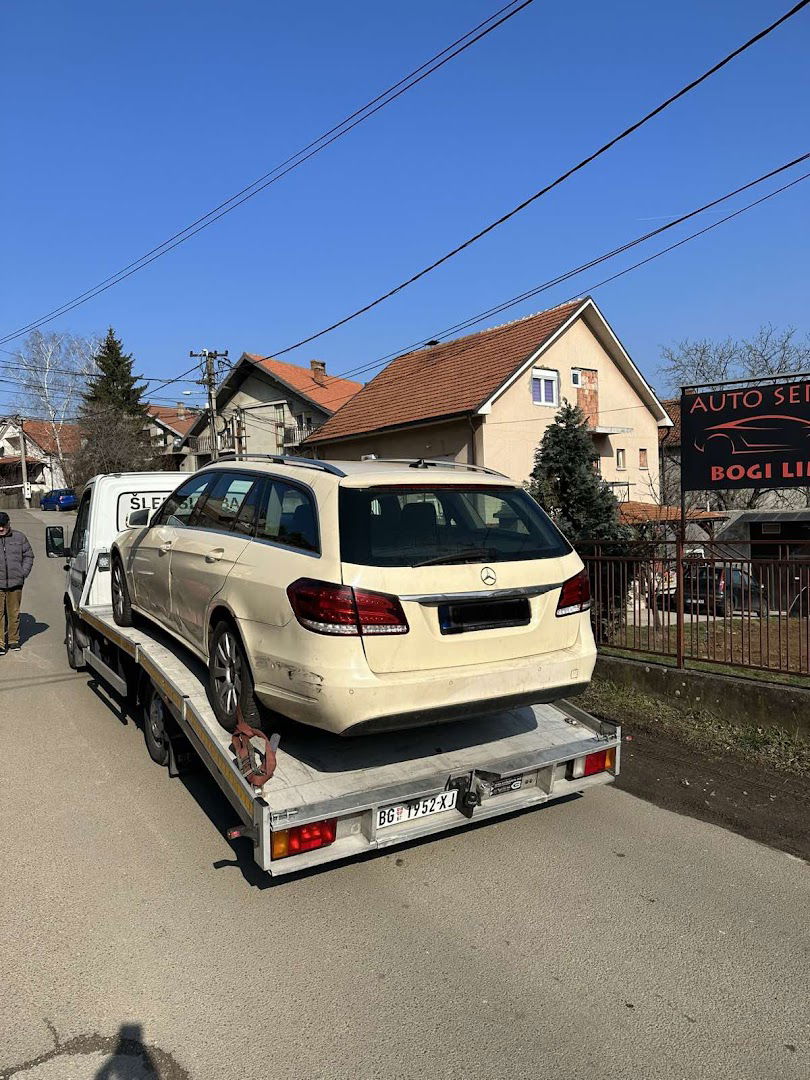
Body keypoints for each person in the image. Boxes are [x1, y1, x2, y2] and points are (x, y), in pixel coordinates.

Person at [0, 511, 34, 654]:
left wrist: (22, 573)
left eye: (3, 525)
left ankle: (13, 640)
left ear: (8, 524)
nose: (1, 528)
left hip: (15, 583)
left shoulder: (19, 537)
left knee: (13, 613)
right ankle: (0, 643)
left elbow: (29, 555)